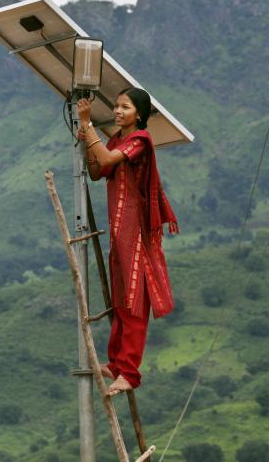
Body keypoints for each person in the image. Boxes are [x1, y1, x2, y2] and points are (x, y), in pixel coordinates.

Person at [76, 87, 179, 397]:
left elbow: (106, 158)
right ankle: (118, 364)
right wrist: (86, 144)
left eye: (125, 107)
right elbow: (98, 170)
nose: (118, 111)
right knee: (121, 299)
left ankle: (130, 373)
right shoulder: (118, 139)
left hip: (136, 231)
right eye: (117, 106)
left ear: (140, 114)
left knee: (134, 302)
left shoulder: (140, 141)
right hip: (120, 228)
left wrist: (89, 124)